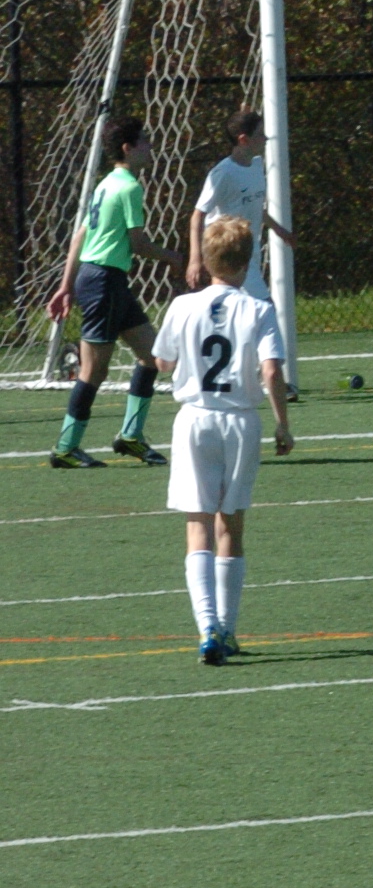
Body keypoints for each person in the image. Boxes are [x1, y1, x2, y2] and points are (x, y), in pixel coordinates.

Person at [155, 218, 292, 664]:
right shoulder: (258, 309)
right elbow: (271, 371)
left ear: (208, 260)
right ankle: (228, 629)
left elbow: (162, 362)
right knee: (229, 525)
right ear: (247, 262)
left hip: (194, 419)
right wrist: (282, 424)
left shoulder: (182, 305)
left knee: (197, 523)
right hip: (240, 420)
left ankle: (207, 628)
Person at [47, 114, 184, 469]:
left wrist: (66, 285)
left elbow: (80, 236)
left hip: (108, 281)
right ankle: (65, 448)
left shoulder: (107, 183)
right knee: (93, 371)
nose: (150, 146)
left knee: (152, 355)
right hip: (103, 281)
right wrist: (173, 257)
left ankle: (130, 436)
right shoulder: (128, 188)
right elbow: (138, 244)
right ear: (128, 147)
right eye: (145, 141)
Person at [189, 107, 298, 399]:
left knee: (238, 315)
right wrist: (196, 259)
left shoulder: (256, 165)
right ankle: (270, 378)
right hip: (227, 255)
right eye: (260, 134)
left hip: (248, 253)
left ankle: (234, 375)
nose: (266, 138)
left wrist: (280, 230)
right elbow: (198, 216)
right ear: (243, 139)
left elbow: (255, 207)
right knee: (264, 309)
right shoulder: (223, 173)